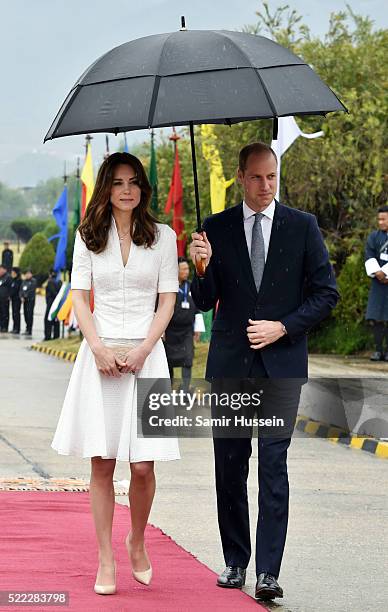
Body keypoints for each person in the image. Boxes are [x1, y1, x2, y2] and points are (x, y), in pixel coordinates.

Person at [189, 142, 339, 602]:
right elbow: (201, 300)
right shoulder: (214, 228)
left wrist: (284, 327)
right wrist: (199, 267)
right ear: (240, 177)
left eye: (271, 177)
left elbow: (325, 294)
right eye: (256, 177)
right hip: (231, 364)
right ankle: (236, 561)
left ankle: (268, 572)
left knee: (274, 465)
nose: (265, 185)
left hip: (281, 366)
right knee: (230, 467)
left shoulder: (302, 226)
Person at [51, 152, 180, 596]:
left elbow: (167, 300)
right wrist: (98, 348)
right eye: (118, 181)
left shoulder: (163, 237)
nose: (127, 189)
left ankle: (137, 540)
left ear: (143, 188)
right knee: (103, 462)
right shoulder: (89, 238)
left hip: (148, 356)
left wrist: (145, 347)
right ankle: (106, 560)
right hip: (100, 357)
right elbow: (81, 299)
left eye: (134, 182)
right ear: (106, 187)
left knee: (142, 467)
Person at [164, 256, 205, 393]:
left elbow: (198, 307)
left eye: (187, 269)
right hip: (170, 331)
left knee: (188, 359)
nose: (186, 271)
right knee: (168, 361)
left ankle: (186, 391)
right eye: (183, 269)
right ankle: (168, 390)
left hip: (187, 331)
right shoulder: (169, 287)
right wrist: (161, 330)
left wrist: (198, 328)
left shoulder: (191, 286)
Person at [364, 205, 388, 361]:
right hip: (378, 282)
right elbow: (369, 255)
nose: (380, 222)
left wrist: (387, 272)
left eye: (383, 219)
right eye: (379, 219)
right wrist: (378, 272)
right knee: (377, 318)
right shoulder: (374, 237)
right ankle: (378, 350)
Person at [44, 269, 62, 341]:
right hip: (57, 303)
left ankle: (48, 336)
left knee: (48, 320)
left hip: (51, 303)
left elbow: (52, 292)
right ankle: (56, 336)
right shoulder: (60, 282)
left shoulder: (50, 282)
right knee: (56, 320)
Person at [19, 269, 37, 337]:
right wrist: (21, 296)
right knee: (25, 314)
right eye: (26, 274)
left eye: (28, 274)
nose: (27, 275)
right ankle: (27, 328)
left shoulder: (33, 281)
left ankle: (29, 329)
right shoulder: (24, 281)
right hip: (24, 301)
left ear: (31, 274)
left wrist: (25, 297)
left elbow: (31, 291)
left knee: (29, 315)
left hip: (30, 301)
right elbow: (21, 290)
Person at [10, 266, 22, 334]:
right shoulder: (13, 280)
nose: (12, 273)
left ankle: (17, 328)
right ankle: (14, 327)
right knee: (14, 314)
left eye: (13, 272)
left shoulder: (19, 281)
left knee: (16, 314)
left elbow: (16, 290)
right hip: (13, 299)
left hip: (17, 300)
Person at [0, 263, 12, 332]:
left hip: (5, 299)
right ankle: (1, 326)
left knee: (5, 313)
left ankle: (5, 327)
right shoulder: (0, 277)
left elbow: (11, 288)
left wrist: (9, 295)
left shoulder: (8, 277)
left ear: (4, 270)